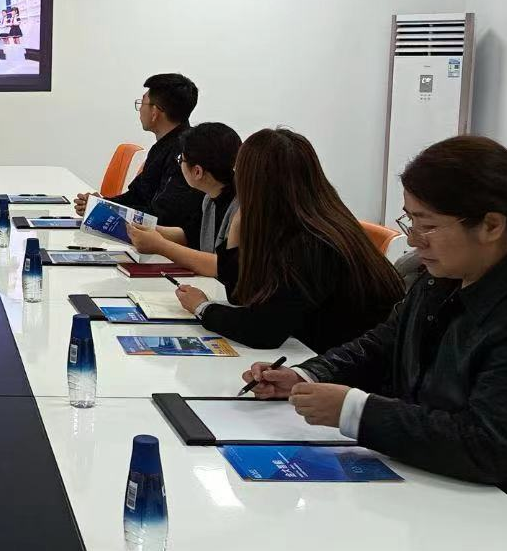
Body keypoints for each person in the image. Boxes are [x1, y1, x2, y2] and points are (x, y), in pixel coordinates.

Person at [247, 135, 507, 551]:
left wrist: (355, 411)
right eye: (410, 222)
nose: (414, 240)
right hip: (455, 494)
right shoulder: (446, 276)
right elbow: (385, 342)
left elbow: (489, 447)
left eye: (427, 226)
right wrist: (307, 374)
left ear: (492, 226)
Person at [178, 128, 403, 353]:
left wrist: (202, 308)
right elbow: (241, 296)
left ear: (256, 183)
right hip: (319, 352)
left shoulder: (313, 242)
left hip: (348, 363)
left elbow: (263, 330)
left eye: (239, 172)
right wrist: (237, 226)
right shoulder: (291, 225)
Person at [73, 73, 204, 242]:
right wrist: (102, 204)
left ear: (155, 112)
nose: (140, 109)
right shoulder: (164, 146)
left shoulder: (186, 154)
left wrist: (105, 211)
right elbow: (137, 195)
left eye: (142, 103)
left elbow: (163, 217)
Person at [124, 122, 241, 277]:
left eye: (181, 160)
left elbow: (222, 267)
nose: (179, 164)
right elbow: (189, 235)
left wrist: (160, 246)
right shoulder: (209, 198)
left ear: (197, 172)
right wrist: (142, 227)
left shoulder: (239, 209)